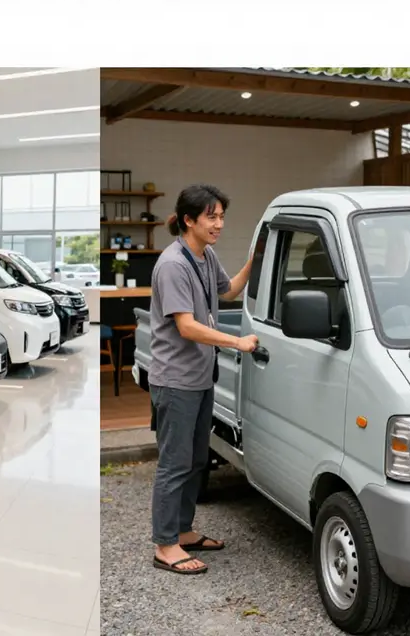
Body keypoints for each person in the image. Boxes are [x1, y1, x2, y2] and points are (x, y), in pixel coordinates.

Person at [149, 183, 258, 576]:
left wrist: (254, 260)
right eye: (211, 217)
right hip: (176, 381)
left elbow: (228, 291)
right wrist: (236, 341)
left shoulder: (205, 255)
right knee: (174, 464)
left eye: (221, 216)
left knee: (196, 461)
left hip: (199, 378)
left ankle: (184, 530)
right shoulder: (174, 264)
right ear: (189, 220)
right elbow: (188, 327)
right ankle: (165, 545)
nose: (219, 224)